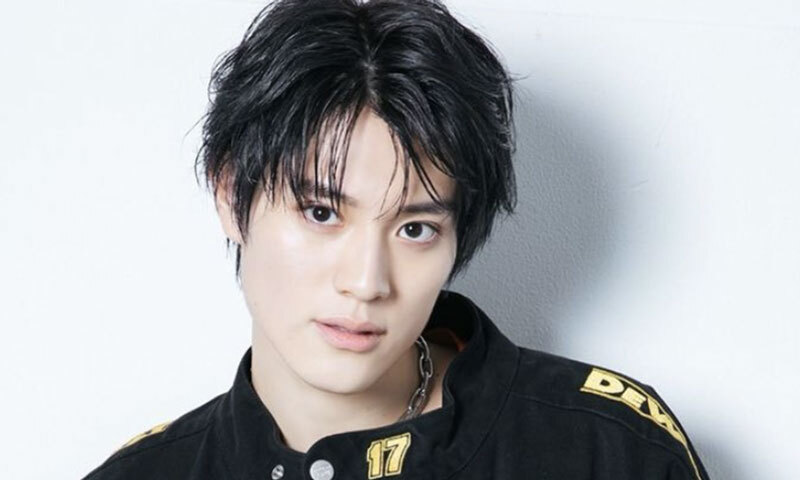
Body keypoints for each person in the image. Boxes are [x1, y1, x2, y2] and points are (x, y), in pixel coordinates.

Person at [82, 0, 710, 479]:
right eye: (321, 213)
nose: (366, 282)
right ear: (229, 196)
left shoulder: (608, 449)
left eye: (415, 229)